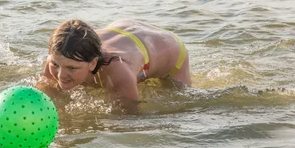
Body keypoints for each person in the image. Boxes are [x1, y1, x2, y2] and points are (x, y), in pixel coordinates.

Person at [40, 19, 191, 113]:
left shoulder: (117, 71)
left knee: (179, 100)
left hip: (169, 48)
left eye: (72, 68)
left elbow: (130, 119)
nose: (60, 75)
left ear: (92, 63)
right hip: (125, 29)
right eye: (55, 65)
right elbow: (44, 96)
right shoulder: (59, 56)